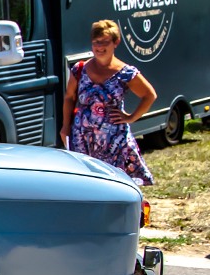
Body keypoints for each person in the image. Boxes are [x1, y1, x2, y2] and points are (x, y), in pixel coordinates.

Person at [60, 19, 156, 185]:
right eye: (96, 42)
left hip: (113, 141)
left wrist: (131, 117)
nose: (100, 47)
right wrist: (65, 126)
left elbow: (149, 95)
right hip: (82, 138)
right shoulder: (79, 69)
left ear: (115, 42)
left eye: (105, 41)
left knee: (114, 184)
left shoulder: (125, 73)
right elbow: (69, 98)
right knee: (84, 183)